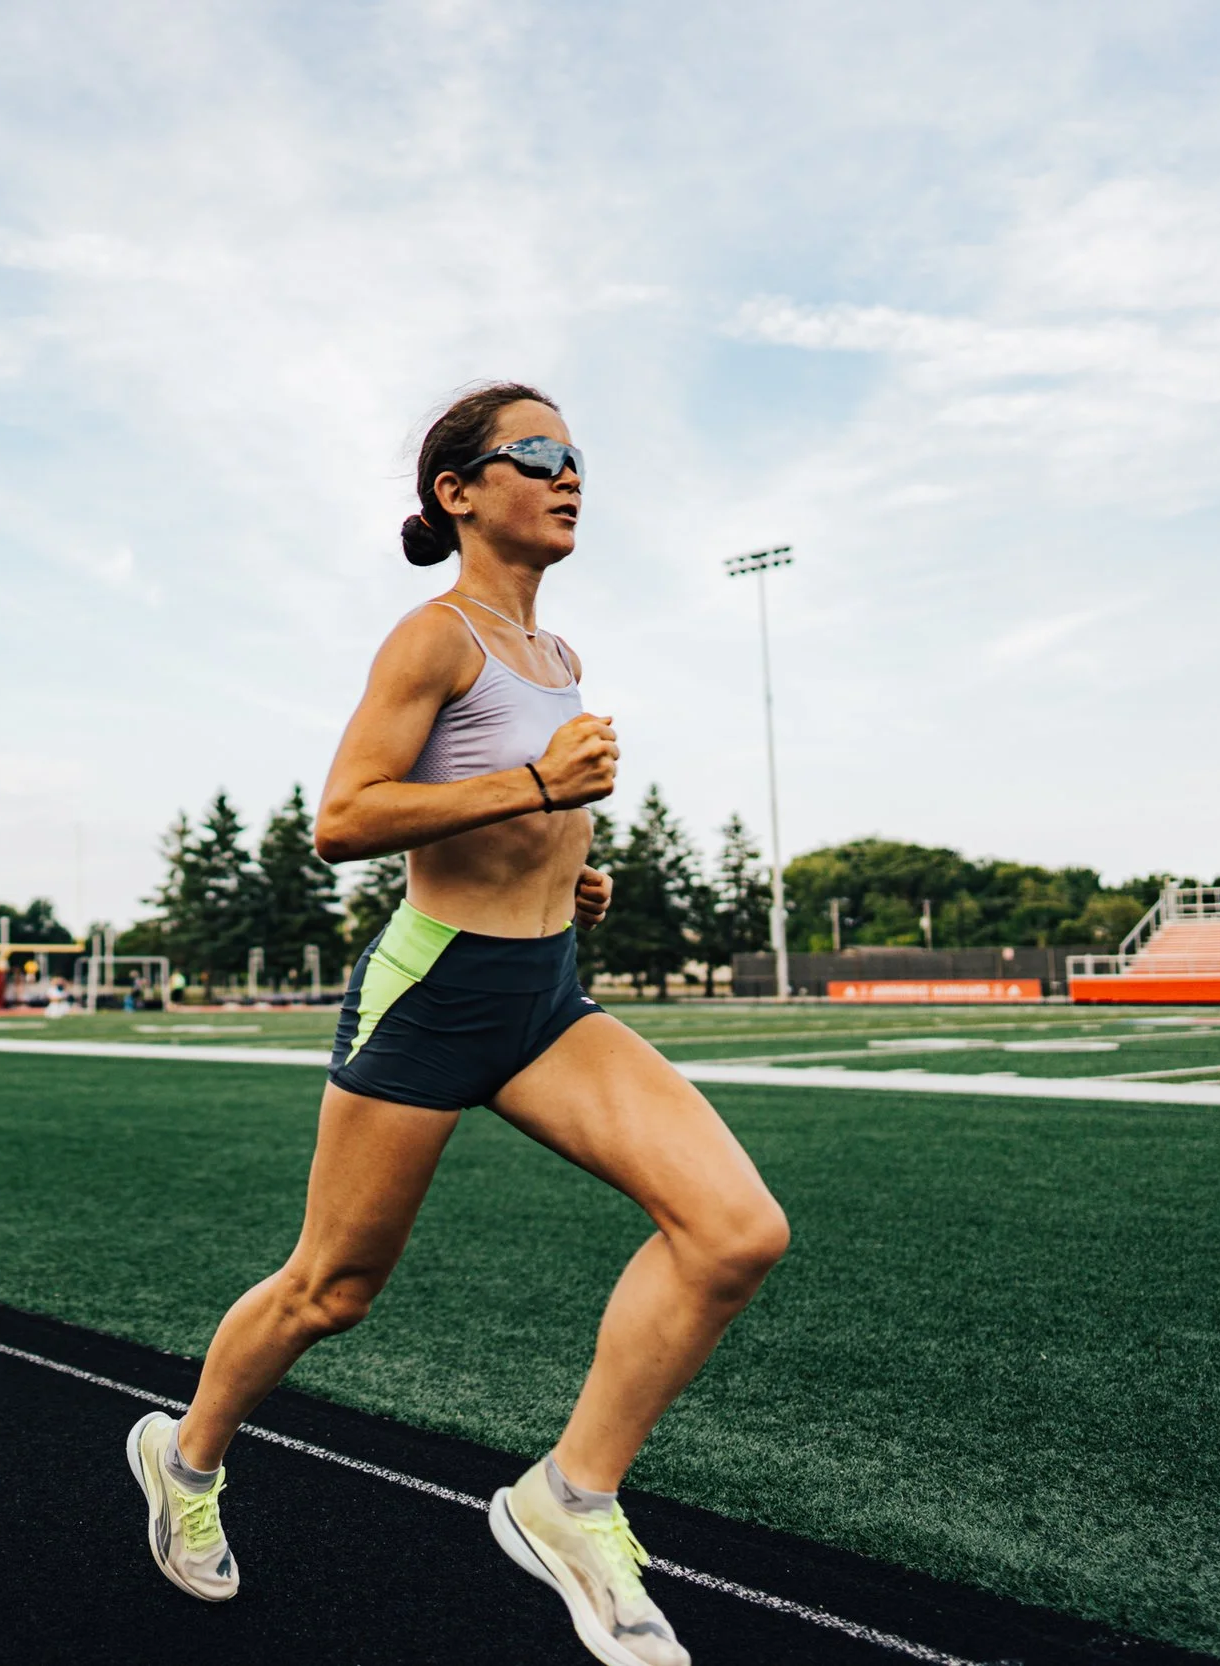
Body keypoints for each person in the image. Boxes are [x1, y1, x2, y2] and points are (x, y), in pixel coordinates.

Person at [124, 384, 789, 1666]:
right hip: (432, 994)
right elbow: (343, 818)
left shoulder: (561, 656)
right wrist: (537, 784)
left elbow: (518, 819)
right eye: (534, 454)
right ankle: (185, 1455)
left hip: (544, 995)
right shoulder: (433, 638)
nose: (567, 472)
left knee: (733, 1231)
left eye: (576, 455)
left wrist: (569, 864)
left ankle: (570, 1497)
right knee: (333, 1286)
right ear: (458, 491)